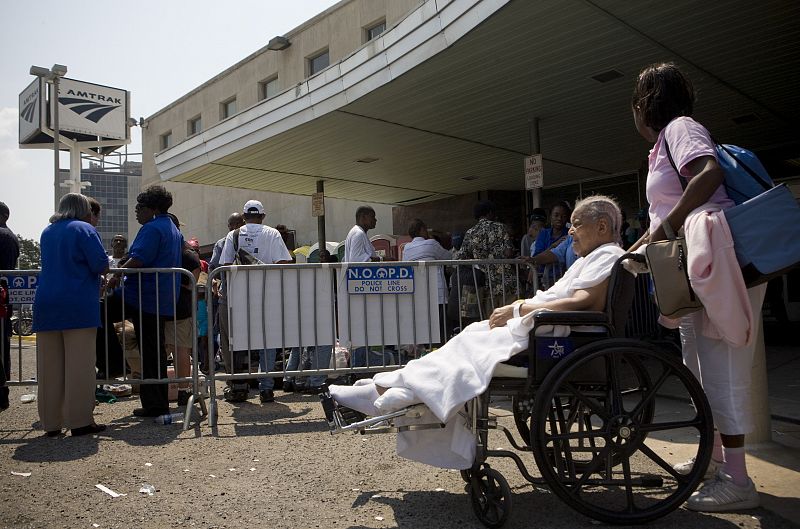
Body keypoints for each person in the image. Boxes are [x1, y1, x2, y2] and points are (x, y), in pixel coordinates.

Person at [327, 195, 625, 468]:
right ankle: (396, 388)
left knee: (468, 344)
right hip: (540, 325)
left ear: (601, 226)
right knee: (466, 339)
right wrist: (520, 307)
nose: (570, 231)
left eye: (576, 224)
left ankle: (391, 390)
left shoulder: (606, 255)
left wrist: (518, 309)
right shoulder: (593, 257)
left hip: (548, 332)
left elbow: (585, 301)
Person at [630, 62, 767, 512]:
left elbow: (708, 174)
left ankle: (738, 481)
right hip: (696, 267)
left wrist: (665, 229)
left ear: (646, 103)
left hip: (717, 262)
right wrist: (637, 247)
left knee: (721, 367)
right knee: (699, 368)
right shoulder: (662, 146)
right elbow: (664, 212)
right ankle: (715, 460)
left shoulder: (681, 128)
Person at [32, 193, 109, 436]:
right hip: (77, 302)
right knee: (80, 365)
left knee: (49, 368)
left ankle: (51, 423)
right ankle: (79, 421)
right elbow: (100, 264)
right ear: (83, 209)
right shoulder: (84, 229)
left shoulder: (48, 231)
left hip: (46, 302)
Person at [113, 185, 183, 417]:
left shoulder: (152, 229)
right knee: (154, 351)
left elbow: (139, 259)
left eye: (139, 207)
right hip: (160, 298)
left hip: (144, 297)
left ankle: (111, 366)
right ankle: (155, 402)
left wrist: (116, 275)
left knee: (100, 314)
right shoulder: (172, 227)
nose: (136, 211)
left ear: (152, 209)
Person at [221, 199, 292, 403]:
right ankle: (266, 388)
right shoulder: (272, 233)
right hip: (267, 294)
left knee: (238, 340)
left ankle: (239, 386)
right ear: (262, 216)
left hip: (240, 296)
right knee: (268, 342)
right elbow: (283, 262)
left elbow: (225, 264)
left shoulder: (233, 235)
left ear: (244, 217)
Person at [163, 215, 201, 407]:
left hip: (165, 307)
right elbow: (194, 279)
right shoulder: (186, 251)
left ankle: (170, 391)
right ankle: (183, 391)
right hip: (179, 308)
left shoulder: (163, 249)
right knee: (180, 349)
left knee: (174, 350)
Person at [454, 200, 515, 316]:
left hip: (484, 284)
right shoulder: (500, 227)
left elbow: (460, 257)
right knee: (510, 318)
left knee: (491, 320)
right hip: (505, 281)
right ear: (490, 212)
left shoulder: (470, 232)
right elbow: (509, 252)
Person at [402, 218, 452, 341]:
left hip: (418, 295)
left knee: (425, 330)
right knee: (441, 330)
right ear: (422, 230)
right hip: (437, 294)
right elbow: (449, 257)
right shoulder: (431, 243)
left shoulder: (406, 248)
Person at [0, 201, 20, 411]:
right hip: (5, 301)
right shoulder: (10, 236)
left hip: (2, 300)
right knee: (3, 348)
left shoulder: (3, 236)